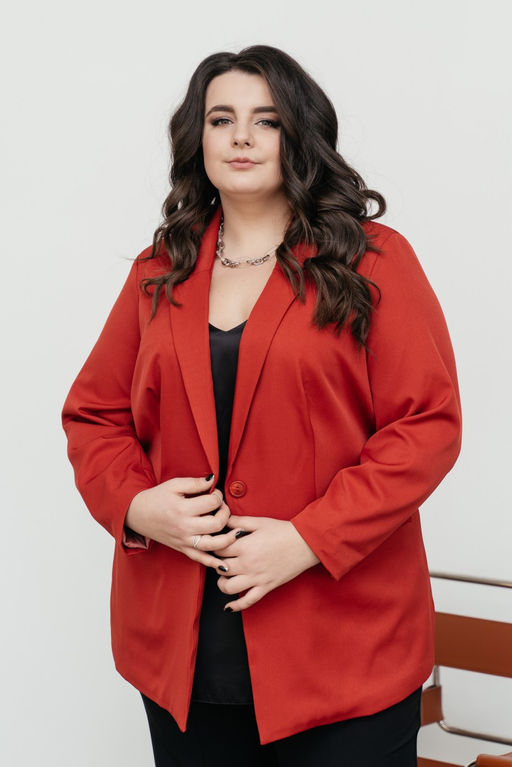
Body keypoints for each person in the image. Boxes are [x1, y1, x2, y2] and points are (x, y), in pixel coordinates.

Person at [62, 45, 462, 766]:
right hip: (183, 655)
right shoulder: (161, 268)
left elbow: (426, 427)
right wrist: (136, 505)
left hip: (344, 645)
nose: (241, 137)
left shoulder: (373, 259)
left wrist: (309, 538)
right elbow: (95, 415)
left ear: (298, 134)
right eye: (222, 119)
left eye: (266, 120)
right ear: (199, 138)